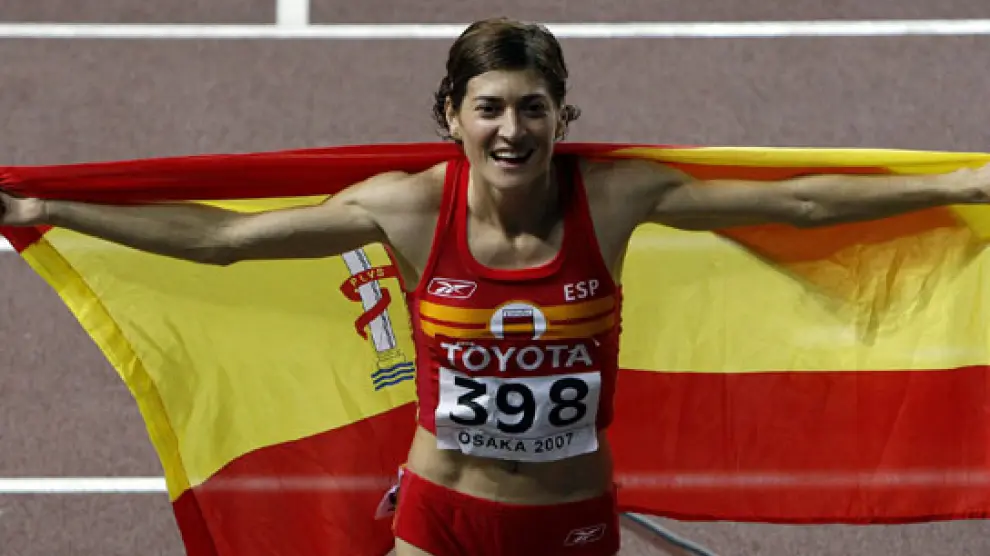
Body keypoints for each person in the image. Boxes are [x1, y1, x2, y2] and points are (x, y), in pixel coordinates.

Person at [2, 16, 990, 556]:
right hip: (443, 514)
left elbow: (801, 205)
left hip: (568, 518)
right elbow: (226, 240)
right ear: (452, 115)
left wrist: (962, 184)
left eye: (532, 108)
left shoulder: (614, 197)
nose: (510, 130)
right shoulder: (405, 210)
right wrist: (46, 207)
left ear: (562, 115)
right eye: (488, 108)